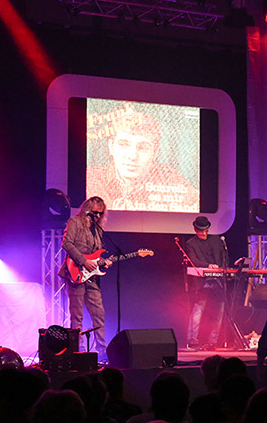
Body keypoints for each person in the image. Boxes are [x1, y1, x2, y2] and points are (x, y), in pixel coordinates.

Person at [85, 103, 198, 212]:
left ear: (155, 153)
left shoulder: (172, 183)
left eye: (143, 147)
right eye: (124, 144)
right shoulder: (90, 179)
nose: (132, 156)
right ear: (111, 147)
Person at [59, 196, 110, 357]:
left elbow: (96, 254)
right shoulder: (75, 222)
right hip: (76, 273)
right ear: (86, 210)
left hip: (92, 277)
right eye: (94, 213)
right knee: (77, 315)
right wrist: (84, 261)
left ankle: (102, 351)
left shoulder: (98, 229)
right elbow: (66, 243)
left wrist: (104, 262)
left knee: (99, 313)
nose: (97, 216)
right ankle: (77, 351)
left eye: (100, 214)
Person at [185, 216, 227, 350]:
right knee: (199, 309)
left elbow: (223, 258)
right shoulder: (191, 243)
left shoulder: (216, 240)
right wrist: (209, 266)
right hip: (202, 282)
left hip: (218, 281)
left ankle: (212, 342)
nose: (203, 234)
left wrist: (221, 268)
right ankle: (192, 340)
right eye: (200, 231)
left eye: (205, 231)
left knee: (219, 311)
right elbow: (194, 261)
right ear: (195, 230)